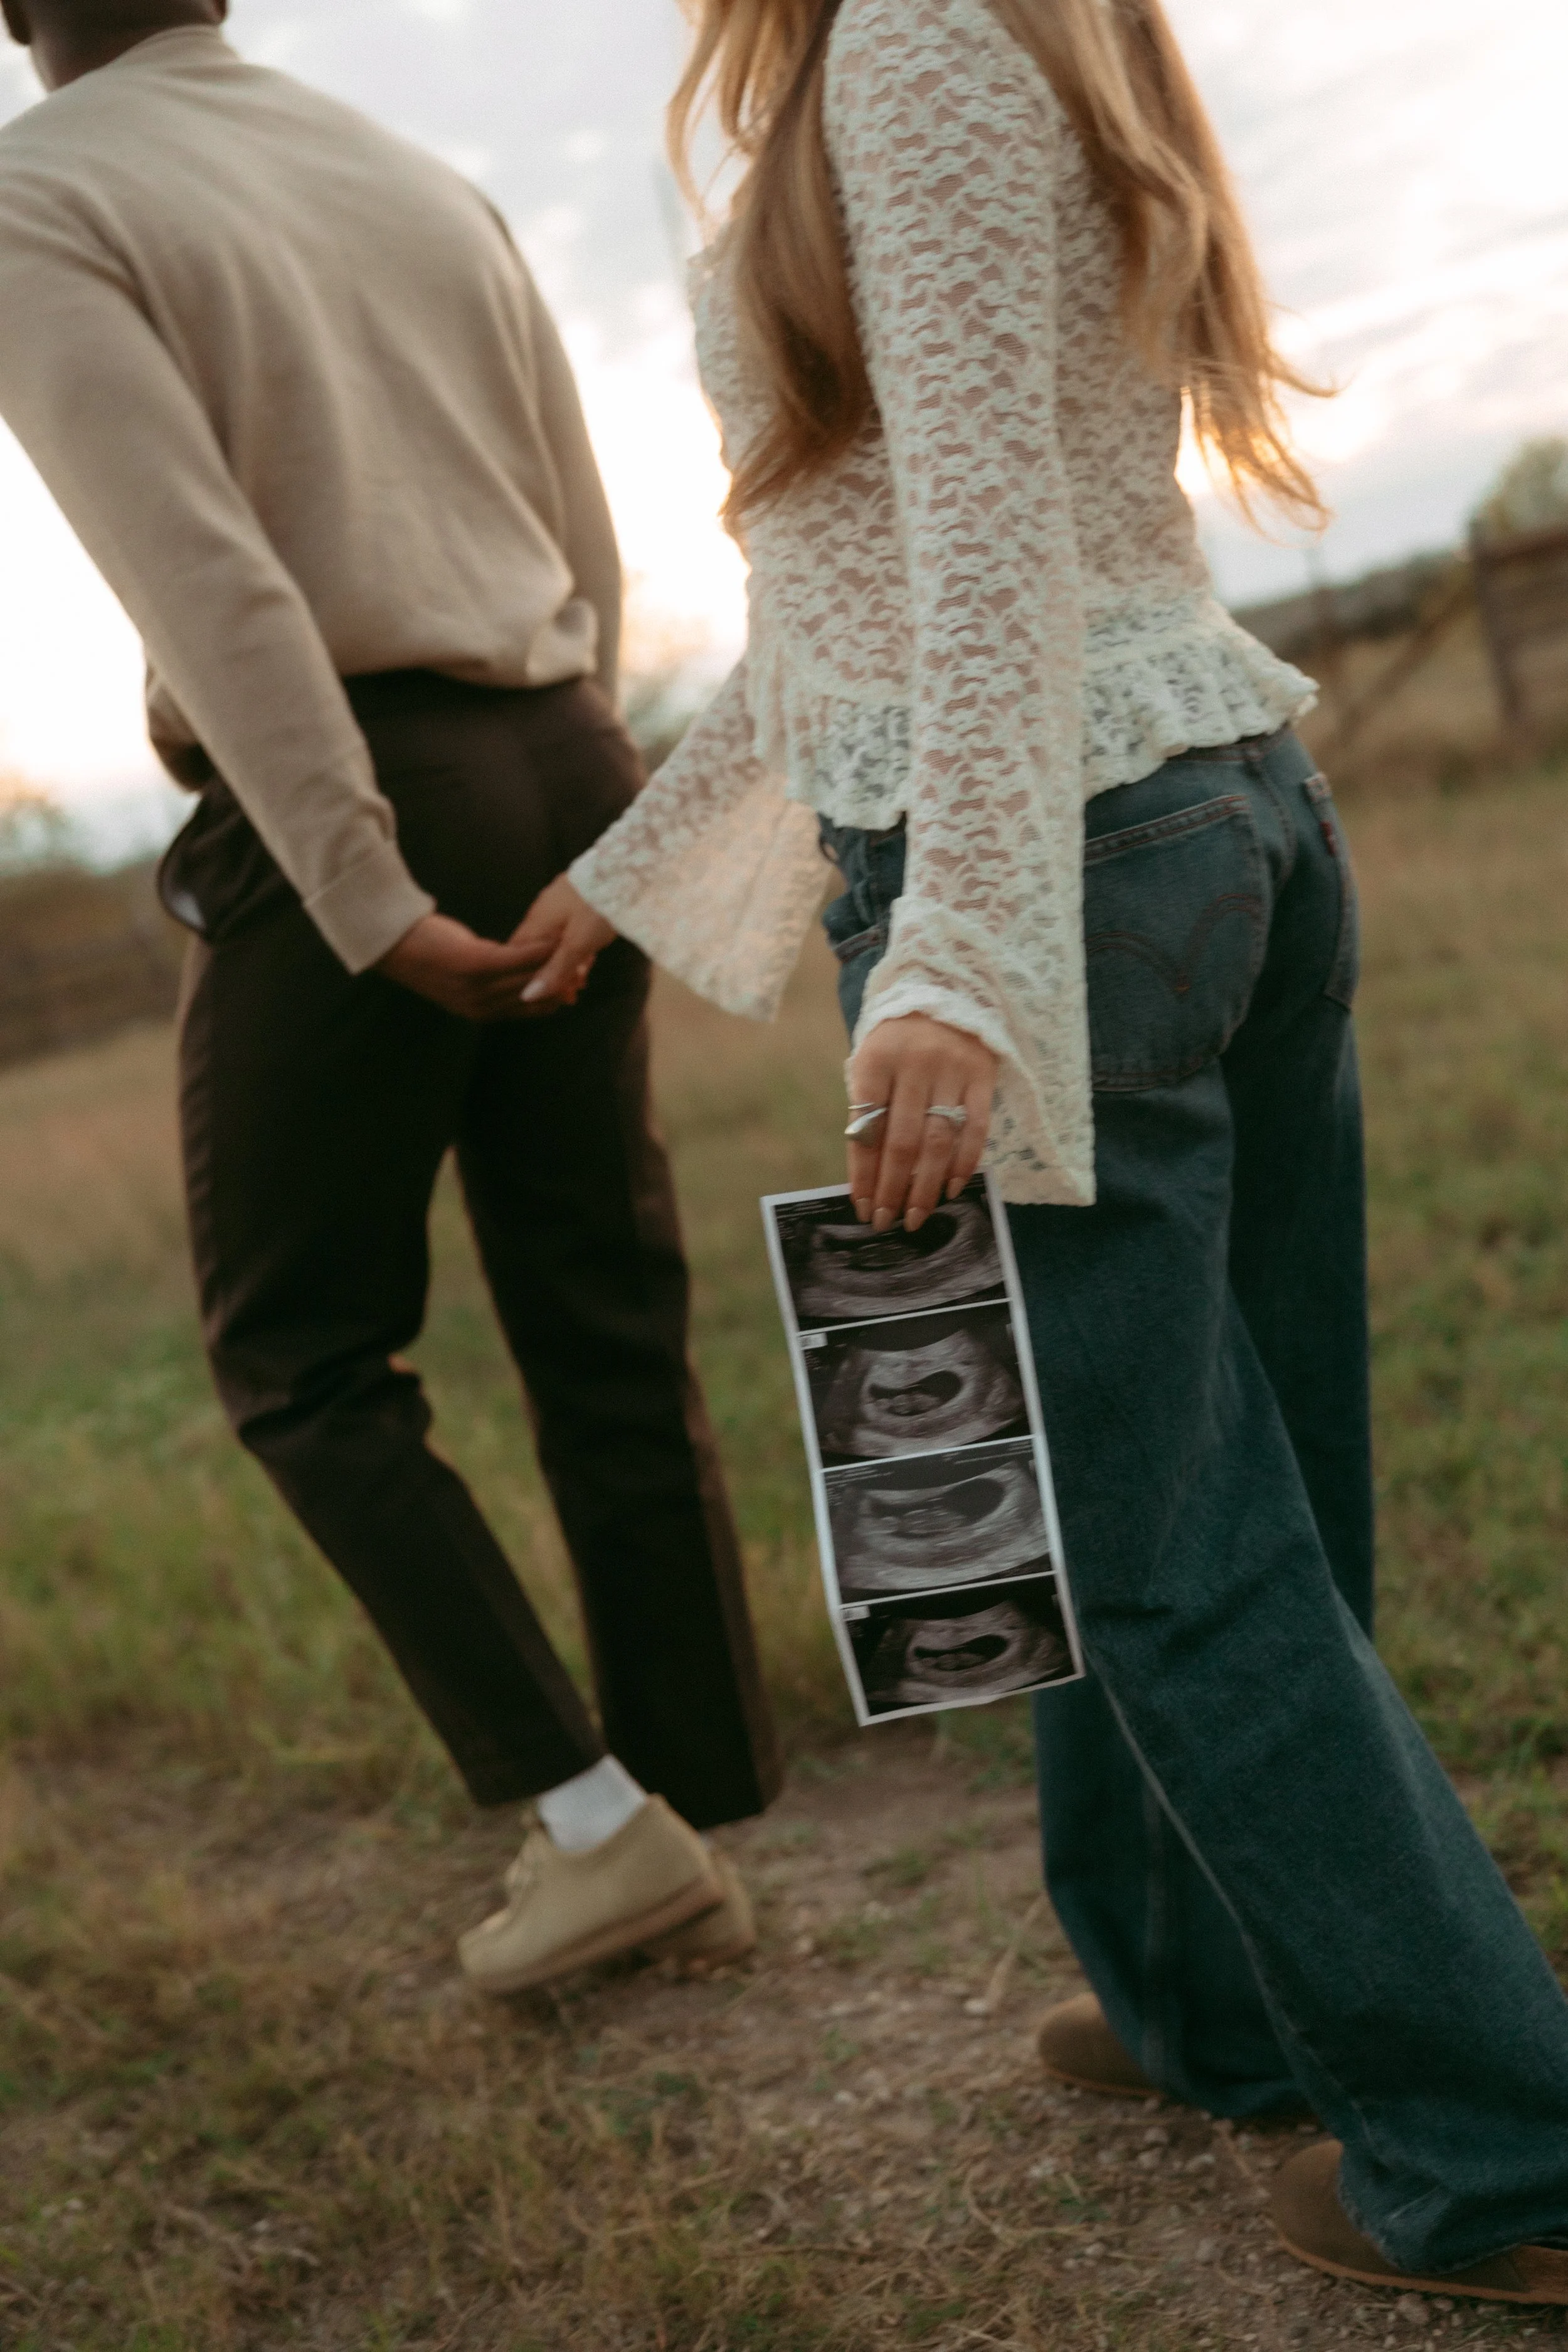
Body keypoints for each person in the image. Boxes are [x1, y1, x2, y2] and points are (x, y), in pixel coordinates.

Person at [516, 0, 1568, 2307]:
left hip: (1071, 871)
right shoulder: (975, 42)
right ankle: (1207, 2001)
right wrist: (623, 868)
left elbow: (987, 549)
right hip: (1200, 812)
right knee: (1234, 1485)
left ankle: (1504, 2158)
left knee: (1168, 1546)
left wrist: (959, 955)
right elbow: (853, 586)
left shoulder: (903, 47)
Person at [0, 0, 782, 1994]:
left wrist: (353, 873)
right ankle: (704, 1764)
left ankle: (606, 1831)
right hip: (557, 735)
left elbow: (213, 580)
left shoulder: (36, 195)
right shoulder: (419, 177)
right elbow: (578, 524)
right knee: (600, 1285)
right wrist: (585, 774)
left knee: (302, 1353)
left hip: (365, 778)